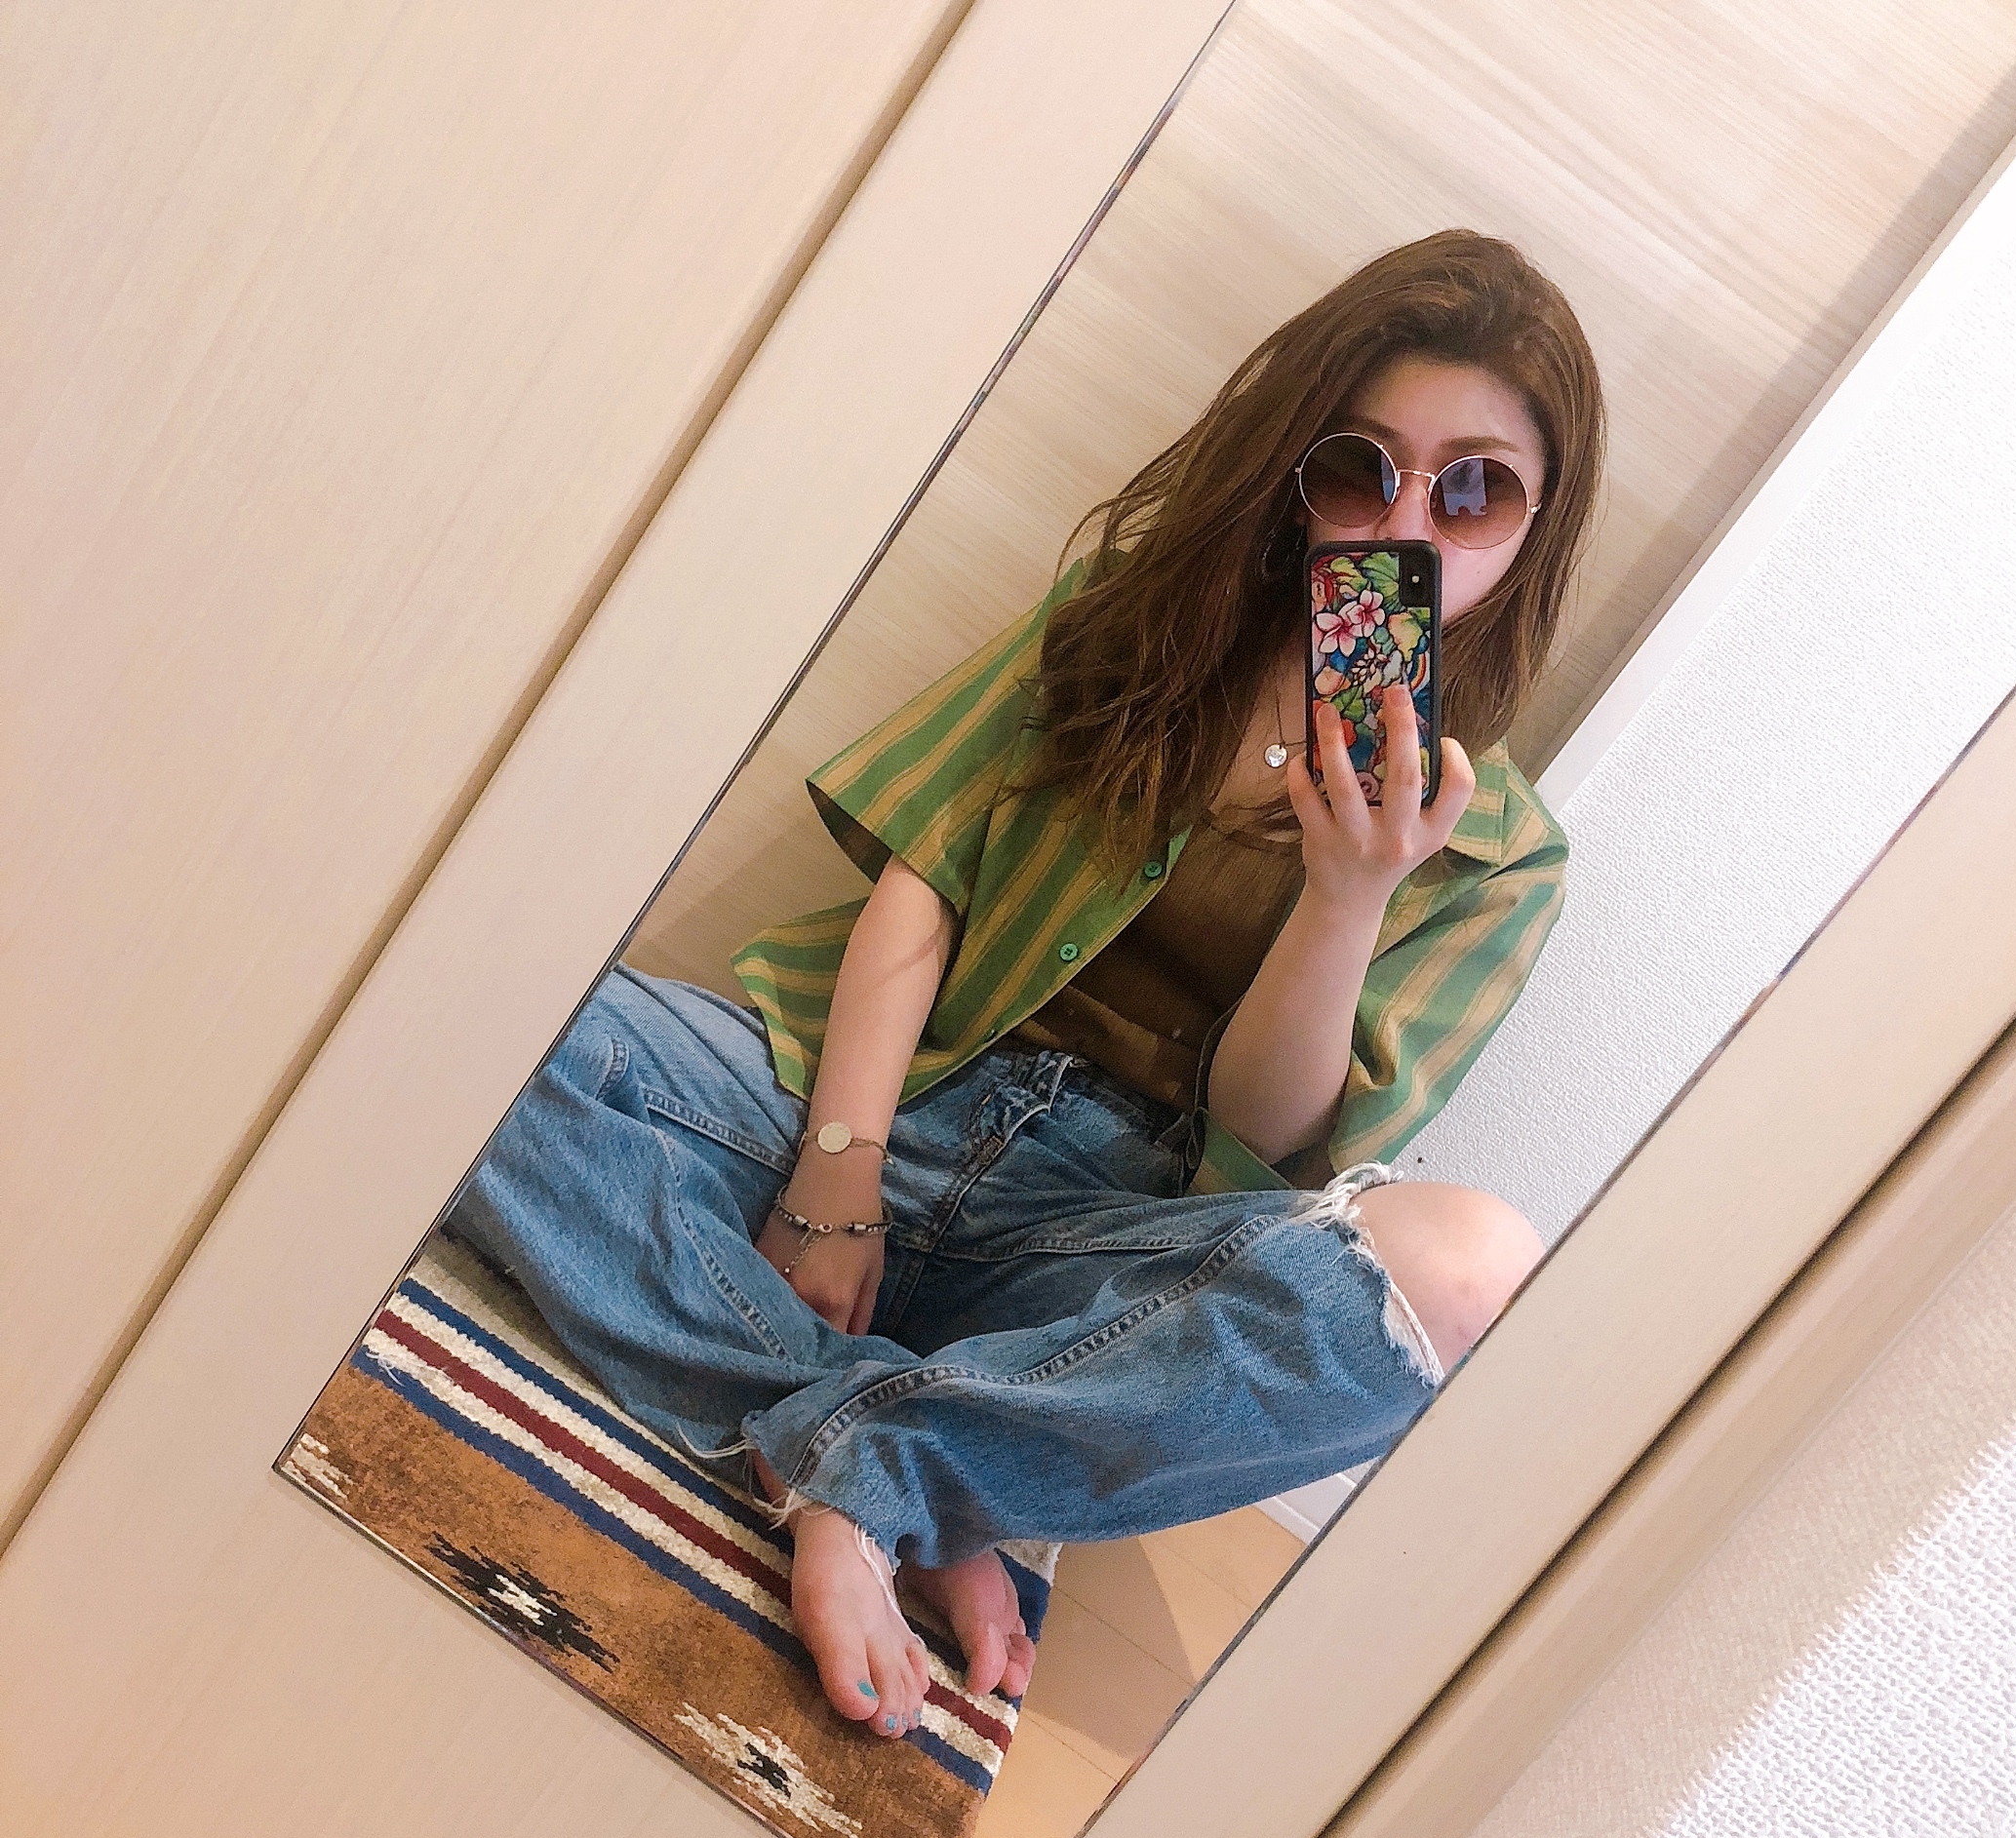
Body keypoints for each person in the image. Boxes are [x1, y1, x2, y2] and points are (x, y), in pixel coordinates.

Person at [450, 230, 1605, 1743]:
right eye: (1359, 469)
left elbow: (1270, 1147)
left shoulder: (1501, 853)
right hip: (868, 1099)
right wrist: (837, 1176)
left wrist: (1350, 891)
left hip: (1101, 1247)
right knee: (458, 1010)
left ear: (1536, 526)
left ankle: (882, 1466)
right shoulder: (1136, 621)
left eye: (1473, 491)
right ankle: (919, 1446)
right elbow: (926, 878)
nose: (1403, 526)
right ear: (1295, 470)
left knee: (1470, 1270)